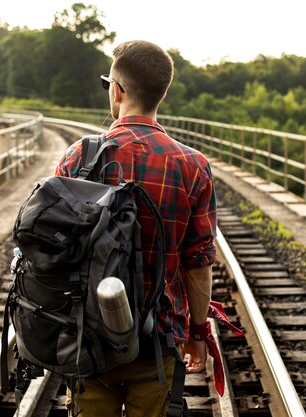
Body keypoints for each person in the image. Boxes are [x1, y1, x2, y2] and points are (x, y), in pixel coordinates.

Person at [55, 40, 217, 417]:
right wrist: (197, 333)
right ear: (162, 93)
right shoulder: (192, 165)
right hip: (158, 340)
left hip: (88, 340)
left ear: (117, 89)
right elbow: (198, 261)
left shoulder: (79, 156)